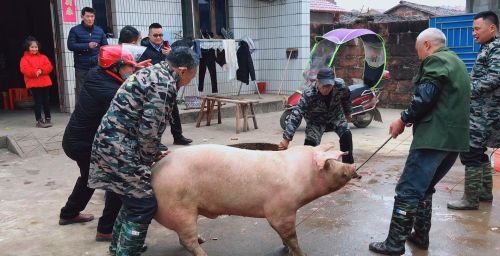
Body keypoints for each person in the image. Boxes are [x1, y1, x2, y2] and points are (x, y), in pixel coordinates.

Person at [368, 28, 470, 255]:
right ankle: (420, 236)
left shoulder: (435, 61)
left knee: (407, 190)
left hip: (433, 139)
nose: (418, 56)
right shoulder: (457, 62)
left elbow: (424, 98)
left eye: (418, 51)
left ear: (426, 45)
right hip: (454, 141)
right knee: (424, 189)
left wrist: (403, 119)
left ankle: (394, 244)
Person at [88, 46, 199, 255]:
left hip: (111, 141)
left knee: (131, 199)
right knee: (143, 204)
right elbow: (148, 131)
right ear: (183, 70)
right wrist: (150, 158)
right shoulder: (164, 85)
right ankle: (128, 251)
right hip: (120, 148)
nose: (192, 79)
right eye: (193, 74)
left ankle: (119, 246)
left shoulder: (153, 71)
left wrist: (156, 149)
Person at [59, 42, 145, 243]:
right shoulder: (109, 90)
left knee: (89, 177)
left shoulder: (99, 73)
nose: (132, 69)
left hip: (77, 140)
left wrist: (135, 70)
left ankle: (69, 213)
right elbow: (133, 101)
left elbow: (124, 80)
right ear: (115, 67)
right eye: (129, 66)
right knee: (113, 181)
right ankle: (106, 230)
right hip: (83, 144)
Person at [447, 11, 500, 210]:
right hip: (481, 112)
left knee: (471, 153)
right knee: (479, 152)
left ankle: (470, 199)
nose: (473, 33)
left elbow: (495, 77)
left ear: (492, 28)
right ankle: (484, 194)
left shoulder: (496, 48)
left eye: (477, 29)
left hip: (486, 113)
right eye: (472, 29)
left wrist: (467, 90)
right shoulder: (488, 47)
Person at [278, 68, 354, 165]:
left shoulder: (340, 86)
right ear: (317, 82)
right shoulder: (309, 93)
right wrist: (286, 139)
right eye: (324, 86)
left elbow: (346, 98)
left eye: (329, 86)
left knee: (346, 135)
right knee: (309, 148)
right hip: (316, 122)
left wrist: (348, 113)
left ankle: (348, 167)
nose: (326, 89)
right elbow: (297, 114)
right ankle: (309, 171)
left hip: (335, 117)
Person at [139, 23, 193, 146]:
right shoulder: (143, 50)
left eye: (161, 35)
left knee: (174, 111)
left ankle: (178, 136)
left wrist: (171, 54)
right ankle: (156, 141)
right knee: (156, 116)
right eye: (155, 35)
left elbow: (179, 65)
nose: (158, 38)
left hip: (168, 85)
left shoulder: (168, 48)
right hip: (152, 88)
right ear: (149, 36)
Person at [67, 6, 108, 104]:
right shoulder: (75, 30)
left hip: (97, 67)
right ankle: (80, 115)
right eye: (87, 16)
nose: (90, 19)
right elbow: (70, 46)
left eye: (92, 16)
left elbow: (105, 47)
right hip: (81, 67)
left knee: (97, 90)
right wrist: (87, 46)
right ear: (82, 17)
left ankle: (96, 114)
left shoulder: (99, 30)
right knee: (81, 92)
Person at [19, 36, 54, 128]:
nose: (34, 49)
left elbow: (49, 66)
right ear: (28, 48)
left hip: (45, 82)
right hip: (34, 83)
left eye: (36, 47)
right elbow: (24, 69)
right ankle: (39, 121)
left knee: (46, 101)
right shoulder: (24, 59)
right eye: (32, 47)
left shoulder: (43, 57)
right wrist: (35, 72)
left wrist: (41, 70)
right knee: (38, 102)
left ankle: (48, 118)